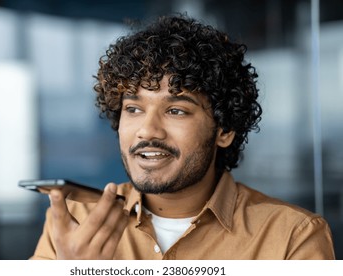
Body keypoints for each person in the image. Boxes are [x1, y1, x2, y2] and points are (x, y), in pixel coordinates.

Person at [30, 14, 335, 260]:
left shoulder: (293, 238)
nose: (148, 130)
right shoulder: (74, 222)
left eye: (176, 110)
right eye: (134, 108)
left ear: (224, 130)